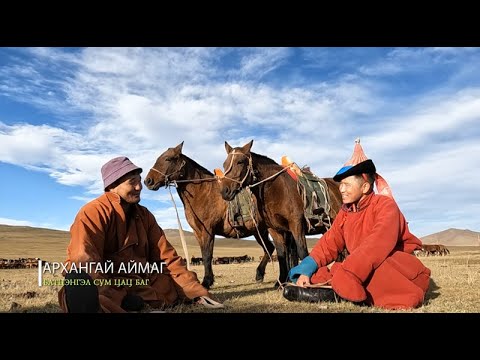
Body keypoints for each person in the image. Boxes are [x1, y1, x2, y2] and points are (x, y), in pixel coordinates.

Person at [58, 156, 223, 313]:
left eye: (139, 181)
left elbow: (167, 258)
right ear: (112, 185)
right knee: (82, 284)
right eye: (132, 182)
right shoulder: (93, 212)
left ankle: (133, 303)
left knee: (168, 284)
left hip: (140, 282)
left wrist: (195, 292)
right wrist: (117, 294)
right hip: (106, 282)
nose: (139, 187)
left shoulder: (145, 215)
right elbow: (84, 258)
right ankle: (103, 304)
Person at [283, 139, 431, 310]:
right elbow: (329, 242)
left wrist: (350, 273)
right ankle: (337, 290)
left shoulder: (385, 206)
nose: (341, 190)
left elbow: (377, 244)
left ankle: (338, 290)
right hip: (359, 266)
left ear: (365, 187)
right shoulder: (346, 212)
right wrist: (306, 269)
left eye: (347, 184)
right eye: (341, 185)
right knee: (328, 270)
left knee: (375, 270)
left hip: (397, 267)